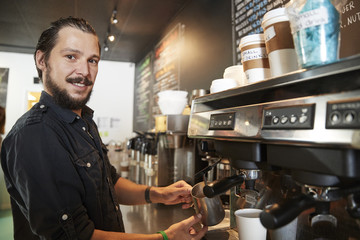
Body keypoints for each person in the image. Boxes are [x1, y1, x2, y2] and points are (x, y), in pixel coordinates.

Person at [0, 17, 207, 240]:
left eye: (93, 60)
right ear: (42, 60)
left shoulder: (84, 121)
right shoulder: (33, 135)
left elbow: (110, 183)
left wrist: (159, 194)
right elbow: (75, 236)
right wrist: (165, 238)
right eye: (71, 56)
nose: (84, 71)